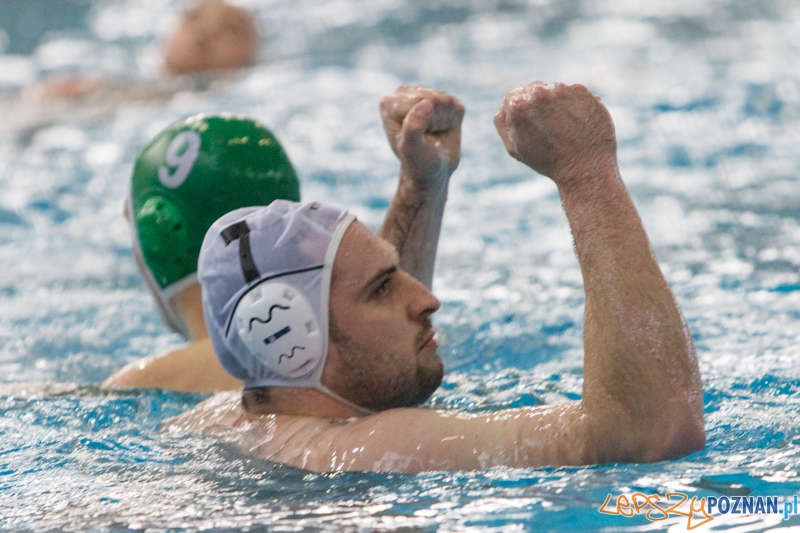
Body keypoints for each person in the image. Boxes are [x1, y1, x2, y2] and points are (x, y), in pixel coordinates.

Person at [164, 81, 705, 473]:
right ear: (290, 339)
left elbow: (353, 339)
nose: (427, 298)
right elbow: (651, 430)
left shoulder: (222, 419)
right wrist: (587, 173)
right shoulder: (369, 448)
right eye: (384, 288)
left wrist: (421, 188)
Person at [103, 84, 463, 393]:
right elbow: (383, 333)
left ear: (159, 239)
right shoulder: (335, 352)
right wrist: (421, 184)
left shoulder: (145, 383)